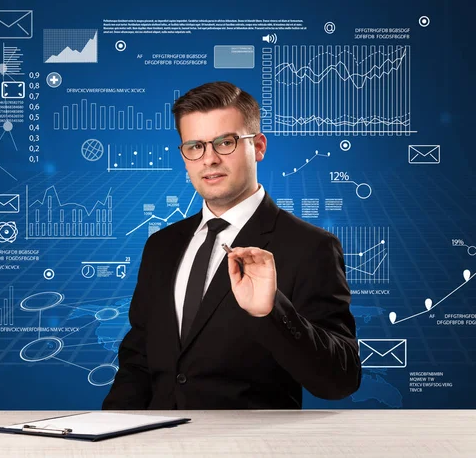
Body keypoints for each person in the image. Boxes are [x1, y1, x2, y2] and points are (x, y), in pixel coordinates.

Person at [102, 81, 361, 409]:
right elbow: (139, 360)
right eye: (195, 146)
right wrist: (109, 434)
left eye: (225, 142)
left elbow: (340, 380)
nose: (209, 159)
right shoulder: (161, 246)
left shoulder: (311, 247)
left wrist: (271, 311)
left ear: (259, 147)